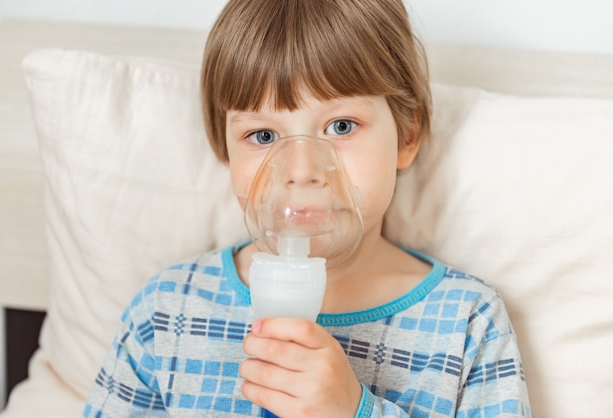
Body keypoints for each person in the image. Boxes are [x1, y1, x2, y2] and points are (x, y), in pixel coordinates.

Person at [84, 0, 531, 417]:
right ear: (225, 149)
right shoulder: (166, 312)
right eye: (262, 136)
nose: (301, 170)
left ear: (407, 135)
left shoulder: (467, 322)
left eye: (341, 126)